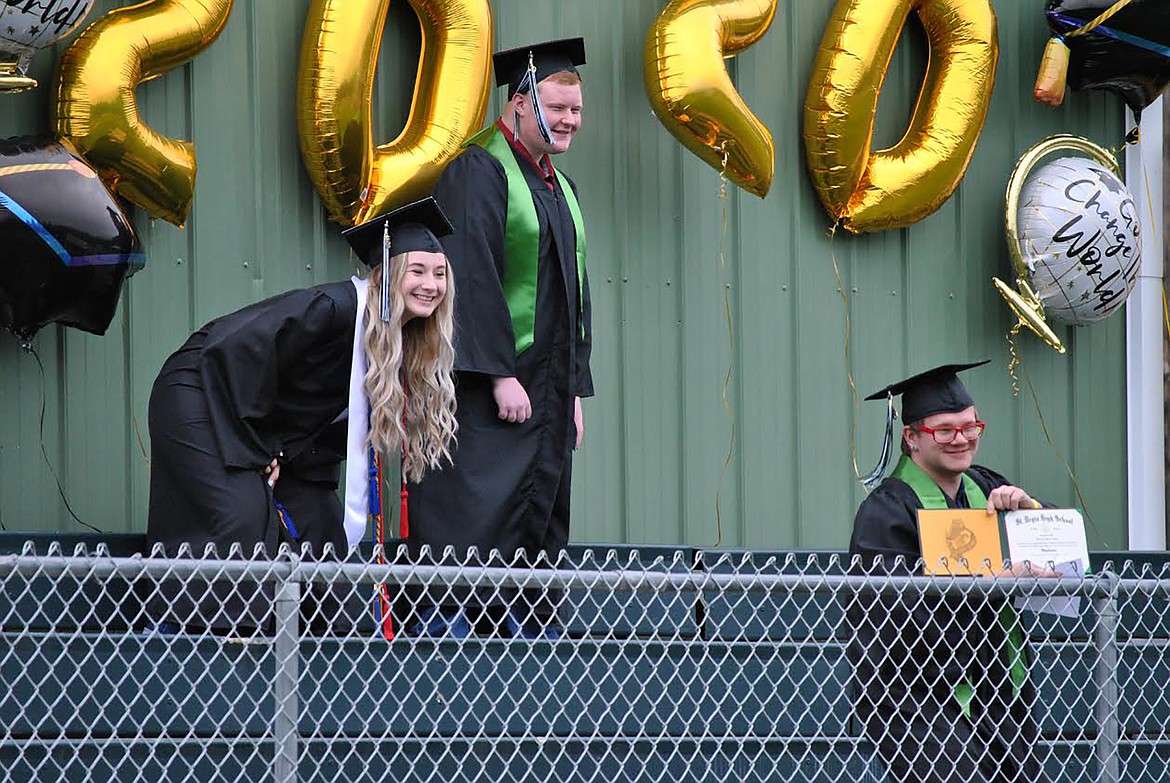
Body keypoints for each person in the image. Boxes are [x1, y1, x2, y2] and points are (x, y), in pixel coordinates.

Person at [144, 197, 457, 633]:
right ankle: (199, 644)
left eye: (439, 274)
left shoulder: (402, 344)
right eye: (417, 271)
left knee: (321, 530)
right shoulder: (333, 309)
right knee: (238, 517)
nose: (430, 284)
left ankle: (328, 655)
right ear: (388, 274)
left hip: (263, 429)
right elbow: (231, 351)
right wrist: (255, 450)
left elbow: (318, 415)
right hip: (202, 393)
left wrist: (283, 453)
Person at [404, 38, 592, 638]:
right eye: (557, 107)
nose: (569, 122)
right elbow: (468, 273)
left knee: (536, 516)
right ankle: (454, 635)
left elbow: (574, 294)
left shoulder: (559, 188)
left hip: (547, 390)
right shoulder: (478, 169)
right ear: (519, 102)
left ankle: (526, 635)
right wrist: (499, 373)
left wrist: (574, 389)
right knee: (476, 510)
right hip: (487, 393)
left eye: (576, 111)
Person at [848, 360, 1052, 783]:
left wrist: (1031, 510)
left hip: (996, 695)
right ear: (912, 438)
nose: (961, 439)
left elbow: (1062, 553)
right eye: (944, 430)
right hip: (916, 699)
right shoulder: (888, 511)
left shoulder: (987, 488)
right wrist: (985, 588)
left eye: (970, 427)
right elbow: (885, 613)